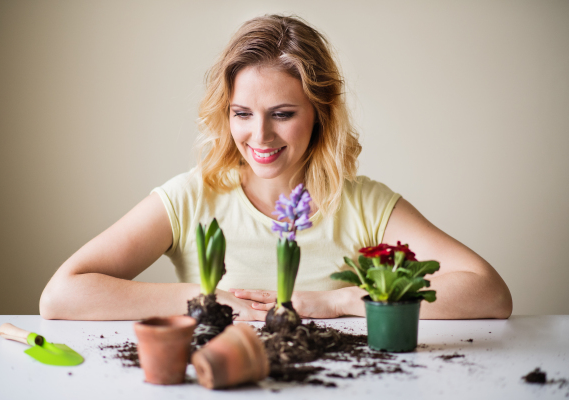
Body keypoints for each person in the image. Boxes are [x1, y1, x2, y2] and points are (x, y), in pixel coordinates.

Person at [40, 15, 512, 321]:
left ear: (319, 114)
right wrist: (208, 300)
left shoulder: (364, 204)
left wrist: (342, 302)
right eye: (242, 113)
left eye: (282, 114)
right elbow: (61, 295)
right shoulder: (190, 197)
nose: (259, 137)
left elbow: (489, 292)